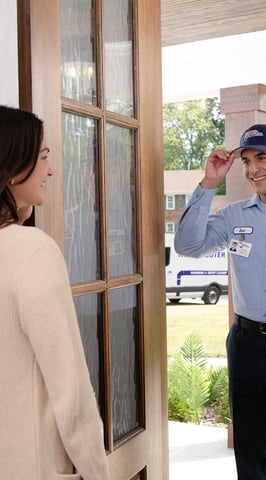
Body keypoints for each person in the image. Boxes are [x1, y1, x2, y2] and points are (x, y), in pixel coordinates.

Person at [174, 123, 266, 480]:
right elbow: (187, 245)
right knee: (251, 455)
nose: (253, 169)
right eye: (245, 161)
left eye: (262, 157)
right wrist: (210, 182)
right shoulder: (235, 216)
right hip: (247, 345)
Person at [0, 105, 109, 480]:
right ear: (12, 167)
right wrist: (98, 473)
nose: (50, 170)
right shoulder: (32, 250)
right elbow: (71, 389)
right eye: (43, 157)